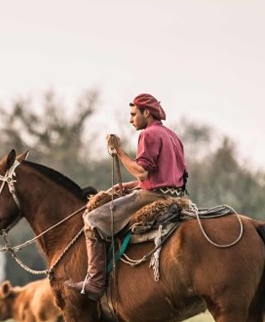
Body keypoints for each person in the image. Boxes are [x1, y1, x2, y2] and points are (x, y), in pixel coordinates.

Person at [64, 93, 188, 300]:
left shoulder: (148, 134)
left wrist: (119, 151)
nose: (130, 120)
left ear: (146, 113)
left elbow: (142, 173)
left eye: (133, 114)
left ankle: (94, 281)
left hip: (153, 197)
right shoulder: (172, 135)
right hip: (175, 195)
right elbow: (161, 177)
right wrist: (126, 187)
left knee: (92, 219)